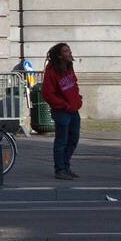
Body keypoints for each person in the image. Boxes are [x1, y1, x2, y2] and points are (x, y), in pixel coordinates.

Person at [41, 43, 83, 180]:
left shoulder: (69, 66)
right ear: (59, 56)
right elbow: (47, 93)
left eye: (69, 50)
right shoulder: (52, 71)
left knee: (73, 139)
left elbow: (74, 84)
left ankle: (65, 166)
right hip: (62, 111)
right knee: (62, 141)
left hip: (73, 109)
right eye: (66, 51)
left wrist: (78, 99)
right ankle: (60, 169)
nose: (69, 53)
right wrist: (63, 105)